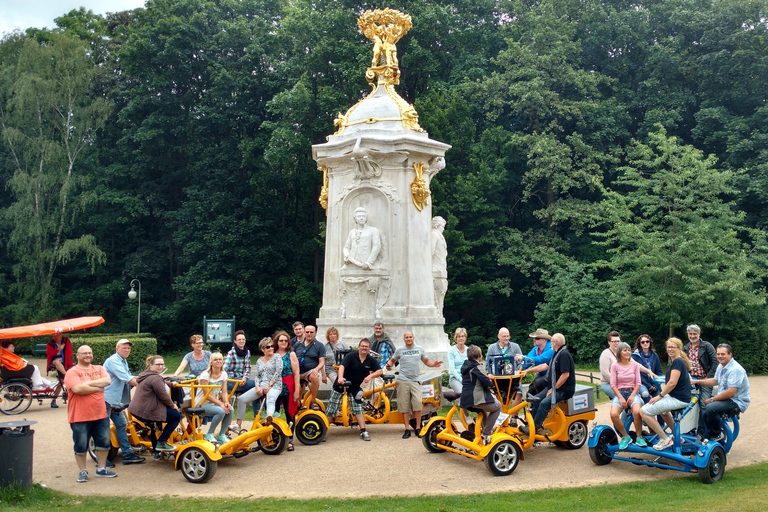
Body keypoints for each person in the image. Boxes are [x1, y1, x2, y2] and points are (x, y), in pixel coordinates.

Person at [63, 345, 116, 482]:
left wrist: (88, 383)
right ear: (77, 355)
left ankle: (102, 468)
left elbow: (108, 381)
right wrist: (98, 388)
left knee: (104, 443)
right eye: (84, 353)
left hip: (100, 414)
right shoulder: (71, 372)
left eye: (89, 353)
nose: (87, 355)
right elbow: (78, 389)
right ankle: (83, 471)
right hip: (80, 416)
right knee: (80, 445)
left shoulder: (99, 368)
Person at [385, 331, 443, 438]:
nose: (408, 339)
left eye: (410, 337)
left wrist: (434, 364)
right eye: (406, 337)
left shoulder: (419, 349)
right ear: (404, 339)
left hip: (416, 380)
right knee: (404, 405)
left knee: (417, 403)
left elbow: (426, 361)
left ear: (413, 338)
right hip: (403, 380)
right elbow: (392, 360)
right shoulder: (400, 350)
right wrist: (389, 365)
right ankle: (407, 429)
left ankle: (417, 427)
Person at [324, 338, 384, 441]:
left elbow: (380, 371)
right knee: (331, 408)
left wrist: (370, 376)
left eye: (366, 347)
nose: (364, 348)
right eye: (362, 346)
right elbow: (342, 366)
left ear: (369, 348)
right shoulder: (351, 356)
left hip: (355, 387)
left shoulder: (370, 360)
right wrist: (340, 378)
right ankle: (323, 431)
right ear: (359, 347)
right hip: (341, 385)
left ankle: (363, 431)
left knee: (358, 408)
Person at [639, 337, 692, 451]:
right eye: (668, 347)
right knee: (663, 412)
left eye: (673, 347)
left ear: (679, 348)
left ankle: (664, 439)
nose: (670, 349)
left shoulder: (678, 362)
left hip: (678, 399)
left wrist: (660, 396)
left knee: (643, 411)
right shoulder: (677, 361)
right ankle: (677, 437)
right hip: (679, 397)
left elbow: (672, 383)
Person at [691, 343, 750, 442]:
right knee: (706, 412)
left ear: (730, 354)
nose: (720, 356)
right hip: (728, 398)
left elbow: (731, 392)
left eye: (723, 354)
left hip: (737, 401)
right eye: (718, 354)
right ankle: (712, 436)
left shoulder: (735, 369)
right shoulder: (721, 366)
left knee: (711, 408)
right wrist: (697, 381)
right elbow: (715, 381)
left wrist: (712, 399)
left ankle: (717, 435)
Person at [102, 339, 145, 465]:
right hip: (106, 399)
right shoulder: (113, 361)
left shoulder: (123, 361)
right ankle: (103, 459)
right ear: (117, 349)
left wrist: (148, 379)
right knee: (103, 428)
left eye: (128, 348)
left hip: (115, 401)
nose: (127, 350)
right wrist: (147, 387)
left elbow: (131, 377)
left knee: (121, 425)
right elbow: (127, 379)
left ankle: (127, 454)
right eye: (124, 348)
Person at [129, 355, 181, 454]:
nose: (160, 366)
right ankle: (161, 442)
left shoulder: (146, 375)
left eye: (162, 364)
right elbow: (163, 395)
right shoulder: (155, 378)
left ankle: (156, 452)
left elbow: (159, 384)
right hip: (147, 410)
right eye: (158, 364)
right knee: (176, 416)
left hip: (138, 409)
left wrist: (170, 384)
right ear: (151, 365)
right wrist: (172, 405)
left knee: (154, 426)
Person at [526, 333, 575, 436]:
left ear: (556, 343)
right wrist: (528, 371)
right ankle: (531, 425)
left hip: (564, 389)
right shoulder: (556, 354)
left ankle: (534, 428)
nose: (550, 343)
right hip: (554, 387)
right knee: (536, 399)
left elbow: (565, 375)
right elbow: (544, 366)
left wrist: (554, 388)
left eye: (551, 341)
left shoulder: (564, 354)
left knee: (544, 403)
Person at [235, 337, 282, 430]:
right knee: (242, 399)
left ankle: (269, 416)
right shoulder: (259, 360)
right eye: (268, 347)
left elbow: (278, 371)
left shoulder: (277, 357)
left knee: (270, 398)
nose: (271, 348)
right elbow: (257, 376)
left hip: (275, 385)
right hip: (261, 385)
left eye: (272, 346)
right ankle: (238, 424)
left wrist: (269, 385)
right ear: (262, 349)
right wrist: (257, 387)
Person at [460, 345, 501, 445]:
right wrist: (489, 378)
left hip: (466, 400)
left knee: (483, 410)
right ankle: (487, 433)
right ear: (479, 356)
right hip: (475, 399)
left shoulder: (466, 365)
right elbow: (487, 383)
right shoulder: (477, 366)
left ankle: (485, 429)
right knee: (497, 406)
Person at [609, 342, 647, 449]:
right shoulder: (615, 365)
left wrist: (632, 396)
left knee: (636, 411)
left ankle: (639, 437)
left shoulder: (635, 365)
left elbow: (638, 383)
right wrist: (621, 398)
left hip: (632, 392)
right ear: (619, 352)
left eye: (628, 350)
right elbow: (613, 384)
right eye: (624, 350)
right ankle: (626, 437)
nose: (627, 352)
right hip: (620, 393)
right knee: (613, 414)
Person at [195, 352, 234, 443]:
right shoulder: (205, 375)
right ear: (211, 363)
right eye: (215, 360)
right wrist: (220, 403)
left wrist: (226, 402)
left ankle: (222, 435)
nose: (218, 361)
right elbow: (206, 395)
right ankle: (210, 433)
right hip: (201, 403)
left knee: (230, 409)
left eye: (220, 359)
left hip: (213, 403)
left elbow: (224, 391)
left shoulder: (224, 374)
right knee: (220, 411)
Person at [274, 330, 300, 451]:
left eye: (285, 340)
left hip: (288, 386)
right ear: (277, 342)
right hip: (275, 386)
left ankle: (289, 439)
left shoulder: (291, 354)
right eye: (281, 340)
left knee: (290, 413)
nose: (283, 342)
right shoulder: (272, 353)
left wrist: (297, 390)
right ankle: (276, 437)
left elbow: (296, 373)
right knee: (274, 413)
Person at [683, 324, 718, 406]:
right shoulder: (685, 348)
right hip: (690, 379)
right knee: (687, 403)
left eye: (695, 334)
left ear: (699, 334)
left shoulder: (707, 346)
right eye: (690, 334)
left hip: (704, 378)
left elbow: (715, 362)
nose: (692, 336)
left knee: (704, 403)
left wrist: (708, 377)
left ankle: (705, 419)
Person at [293, 324, 325, 410]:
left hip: (309, 371)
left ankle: (313, 401)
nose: (309, 334)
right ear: (304, 332)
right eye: (307, 332)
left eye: (311, 332)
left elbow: (322, 362)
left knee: (315, 376)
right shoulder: (297, 345)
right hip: (297, 371)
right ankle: (298, 403)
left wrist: (316, 369)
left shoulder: (319, 345)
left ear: (315, 333)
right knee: (296, 399)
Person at [46, 332, 73, 407]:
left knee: (61, 381)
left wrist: (69, 365)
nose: (55, 337)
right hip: (55, 362)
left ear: (61, 335)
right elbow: (49, 354)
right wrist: (58, 349)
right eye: (53, 335)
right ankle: (66, 374)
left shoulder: (66, 341)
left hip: (65, 363)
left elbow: (69, 353)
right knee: (57, 362)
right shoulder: (50, 344)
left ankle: (54, 400)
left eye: (57, 335)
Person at [224, 330, 255, 395]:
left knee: (257, 389)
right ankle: (256, 405)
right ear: (235, 341)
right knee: (257, 384)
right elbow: (224, 368)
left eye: (243, 339)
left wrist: (245, 378)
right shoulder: (231, 353)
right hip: (232, 381)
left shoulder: (247, 352)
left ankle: (245, 402)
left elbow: (248, 368)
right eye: (239, 340)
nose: (241, 341)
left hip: (242, 379)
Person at [632, 334, 662, 400]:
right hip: (641, 383)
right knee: (645, 394)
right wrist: (649, 386)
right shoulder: (635, 356)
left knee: (660, 398)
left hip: (654, 382)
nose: (645, 343)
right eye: (643, 342)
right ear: (640, 344)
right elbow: (636, 374)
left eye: (647, 341)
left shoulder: (655, 355)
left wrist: (655, 385)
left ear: (650, 342)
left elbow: (659, 372)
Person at [599, 331, 621, 400]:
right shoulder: (605, 354)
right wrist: (619, 382)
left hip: (621, 384)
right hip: (608, 384)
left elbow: (635, 364)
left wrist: (648, 371)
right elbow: (605, 373)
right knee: (621, 397)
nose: (617, 343)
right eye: (614, 341)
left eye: (618, 341)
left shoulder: (622, 352)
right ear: (609, 342)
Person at [447, 328, 468, 394]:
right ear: (456, 338)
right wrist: (460, 379)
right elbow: (452, 369)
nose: (461, 338)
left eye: (462, 336)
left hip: (466, 377)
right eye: (459, 337)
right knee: (462, 392)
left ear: (465, 338)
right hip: (455, 378)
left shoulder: (468, 350)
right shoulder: (451, 351)